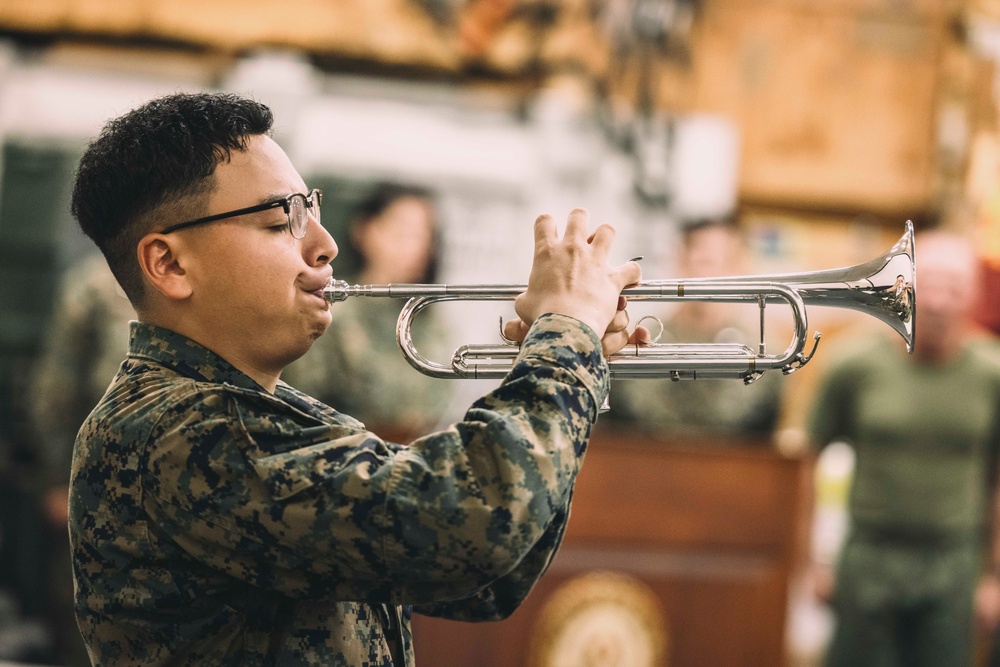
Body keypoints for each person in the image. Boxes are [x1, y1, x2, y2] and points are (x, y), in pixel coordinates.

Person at [67, 91, 645, 666]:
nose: (326, 244)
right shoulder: (185, 431)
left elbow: (487, 581)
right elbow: (473, 525)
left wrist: (575, 366)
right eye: (280, 220)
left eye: (311, 209)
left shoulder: (275, 414)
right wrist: (566, 339)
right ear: (169, 264)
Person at [807, 230, 1000, 667]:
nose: (939, 302)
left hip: (954, 564)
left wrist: (994, 576)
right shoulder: (853, 365)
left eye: (955, 288)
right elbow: (806, 462)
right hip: (868, 559)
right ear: (905, 286)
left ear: (974, 296)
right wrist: (813, 563)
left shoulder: (993, 374)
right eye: (931, 284)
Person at [282, 182, 452, 441]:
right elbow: (300, 406)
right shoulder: (329, 314)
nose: (415, 247)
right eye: (403, 232)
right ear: (364, 231)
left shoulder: (434, 323)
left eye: (425, 236)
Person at [28, 253, 134, 666]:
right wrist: (56, 479)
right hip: (97, 482)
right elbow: (55, 391)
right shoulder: (95, 287)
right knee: (82, 619)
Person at [601, 217, 782, 440]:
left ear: (741, 266)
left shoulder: (768, 351)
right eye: (703, 260)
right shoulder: (635, 341)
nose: (710, 274)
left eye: (724, 262)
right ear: (680, 260)